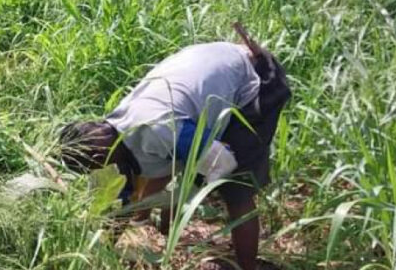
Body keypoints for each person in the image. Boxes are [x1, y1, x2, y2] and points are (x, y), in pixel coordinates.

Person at [59, 40, 291, 270]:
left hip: (254, 77)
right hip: (214, 61)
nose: (102, 171)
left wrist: (180, 203)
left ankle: (247, 265)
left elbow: (223, 161)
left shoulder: (158, 129)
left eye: (97, 166)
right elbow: (127, 194)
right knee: (160, 163)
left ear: (100, 157)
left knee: (235, 191)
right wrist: (102, 250)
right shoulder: (117, 125)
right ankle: (151, 223)